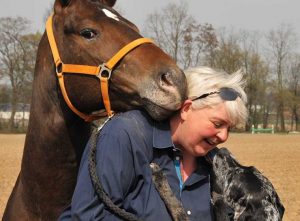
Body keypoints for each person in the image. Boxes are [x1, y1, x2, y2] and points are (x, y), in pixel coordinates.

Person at [59, 66, 248, 221]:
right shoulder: (125, 135)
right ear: (187, 108)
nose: (223, 136)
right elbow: (89, 217)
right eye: (217, 124)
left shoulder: (215, 165)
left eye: (229, 128)